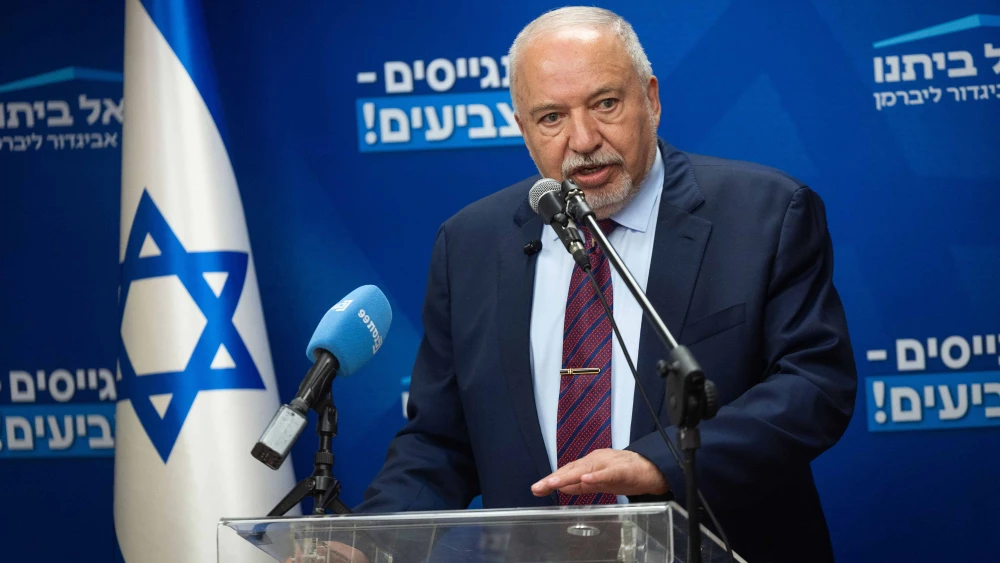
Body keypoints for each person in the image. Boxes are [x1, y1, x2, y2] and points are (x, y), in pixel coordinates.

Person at [355, 7, 857, 563]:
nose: (584, 138)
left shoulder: (764, 213)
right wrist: (370, 541)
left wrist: (658, 464)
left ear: (651, 98)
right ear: (522, 128)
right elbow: (438, 442)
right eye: (551, 117)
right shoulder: (470, 243)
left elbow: (814, 385)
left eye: (606, 103)